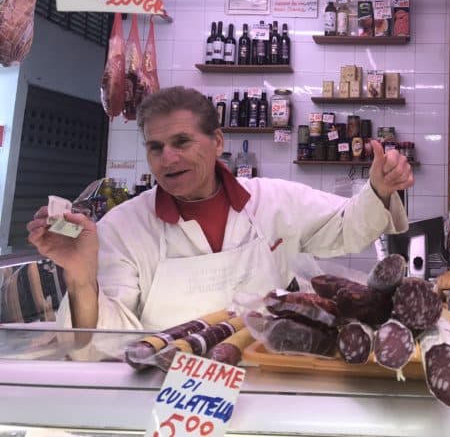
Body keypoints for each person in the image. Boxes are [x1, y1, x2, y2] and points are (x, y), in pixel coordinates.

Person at [27, 87, 413, 331]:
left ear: (217, 141)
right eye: (155, 147)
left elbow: (346, 226)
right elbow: (105, 340)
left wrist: (378, 189)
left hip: (267, 377)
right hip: (169, 392)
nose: (168, 158)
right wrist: (81, 278)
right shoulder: (123, 226)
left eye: (182, 142)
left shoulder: (273, 200)